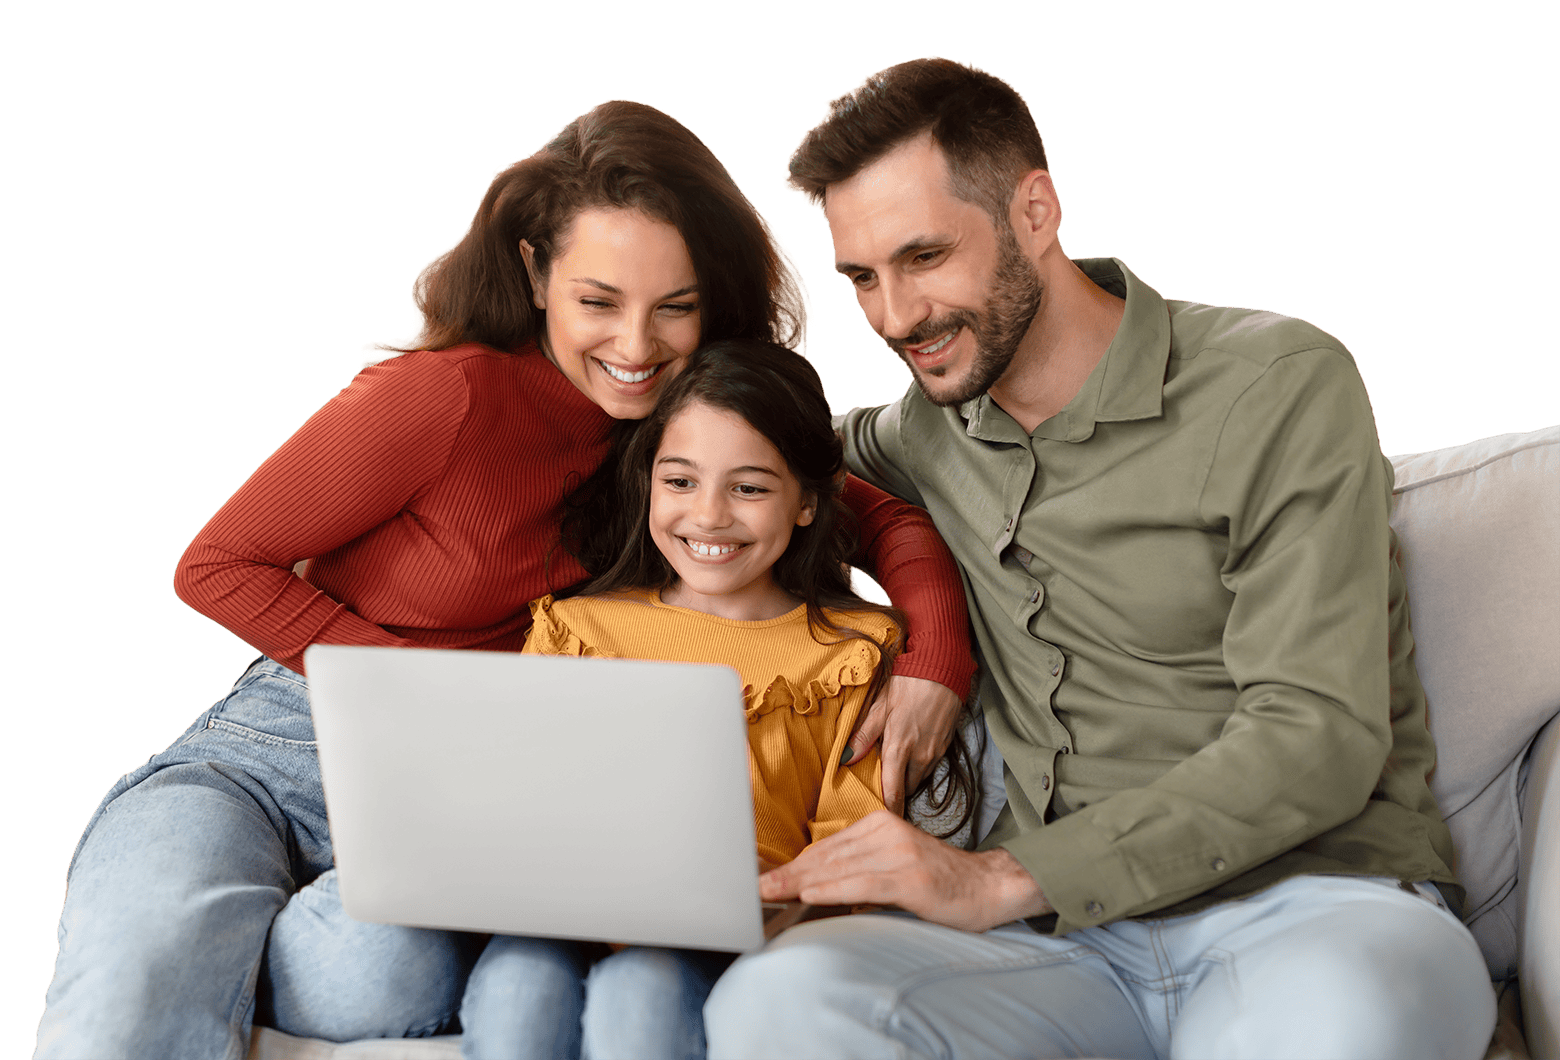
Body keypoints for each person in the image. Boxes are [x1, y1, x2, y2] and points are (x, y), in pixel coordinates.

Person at [34, 100, 976, 1060]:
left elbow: (882, 517)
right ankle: (187, 923)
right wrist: (420, 700)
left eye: (676, 306)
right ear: (534, 273)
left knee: (384, 975)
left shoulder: (683, 432)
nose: (638, 346)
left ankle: (235, 947)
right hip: (275, 751)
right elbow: (218, 565)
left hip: (473, 789)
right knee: (142, 977)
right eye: (598, 301)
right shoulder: (444, 396)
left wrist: (935, 660)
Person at [703, 57, 1498, 1060]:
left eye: (925, 256)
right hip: (1061, 952)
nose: (897, 316)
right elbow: (746, 468)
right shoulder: (924, 435)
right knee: (776, 1002)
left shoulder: (1279, 383)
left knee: (1337, 1030)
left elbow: (1317, 734)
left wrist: (997, 879)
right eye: (864, 276)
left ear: (1035, 210)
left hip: (1315, 909)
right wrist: (936, 649)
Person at [460, 339, 981, 1059]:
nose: (707, 517)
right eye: (680, 481)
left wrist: (781, 910)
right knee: (520, 981)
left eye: (750, 488)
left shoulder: (849, 654)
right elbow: (511, 797)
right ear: (648, 483)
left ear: (806, 504)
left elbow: (851, 842)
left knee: (639, 988)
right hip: (562, 915)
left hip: (722, 931)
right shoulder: (577, 627)